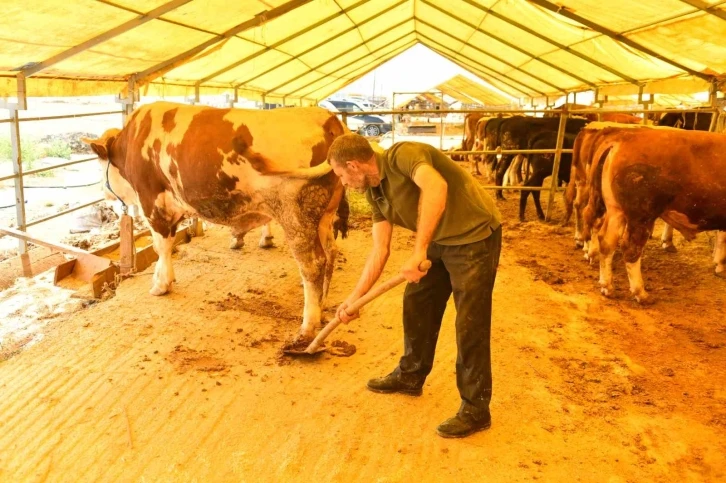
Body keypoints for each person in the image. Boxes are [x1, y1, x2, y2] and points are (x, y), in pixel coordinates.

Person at [327, 134, 502, 438]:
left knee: (469, 322)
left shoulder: (402, 155)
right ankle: (411, 375)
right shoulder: (376, 193)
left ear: (353, 165)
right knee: (417, 302)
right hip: (439, 240)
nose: (342, 183)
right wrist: (354, 299)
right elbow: (380, 251)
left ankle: (476, 409)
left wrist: (419, 250)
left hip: (474, 236)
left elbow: (436, 186)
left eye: (341, 175)